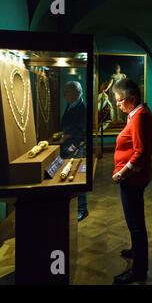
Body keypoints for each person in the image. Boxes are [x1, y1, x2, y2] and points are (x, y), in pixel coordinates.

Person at [112, 78, 152, 284]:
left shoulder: (139, 117)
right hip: (136, 177)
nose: (117, 105)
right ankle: (135, 250)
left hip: (133, 179)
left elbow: (140, 153)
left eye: (120, 101)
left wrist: (123, 173)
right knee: (134, 221)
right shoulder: (137, 114)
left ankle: (139, 270)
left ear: (131, 98)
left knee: (136, 224)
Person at [61, 81, 88, 222]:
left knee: (77, 176)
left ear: (76, 93)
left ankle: (82, 209)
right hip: (68, 146)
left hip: (75, 147)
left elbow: (82, 132)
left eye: (67, 91)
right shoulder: (71, 104)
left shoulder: (82, 108)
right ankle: (72, 207)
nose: (64, 94)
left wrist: (73, 148)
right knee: (69, 175)